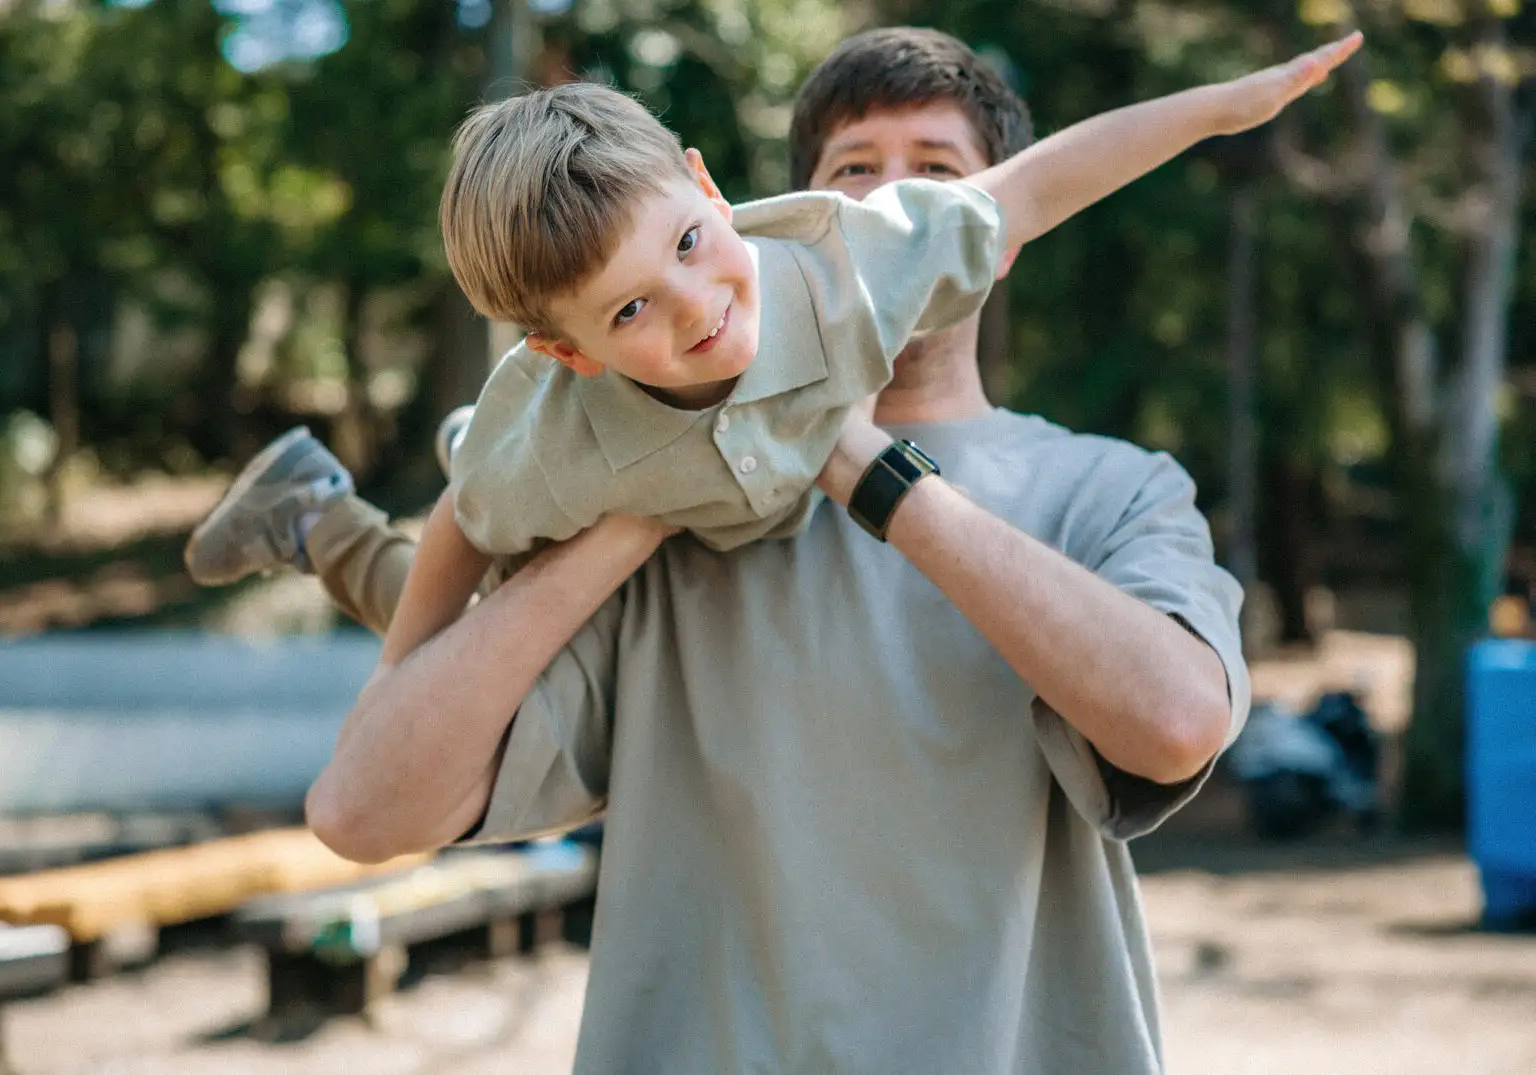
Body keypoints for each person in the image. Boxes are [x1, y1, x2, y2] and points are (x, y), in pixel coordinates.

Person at [186, 28, 1357, 1073]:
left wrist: (853, 456)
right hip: (601, 507)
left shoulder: (1110, 487)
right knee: (477, 560)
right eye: (856, 170)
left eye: (936, 173)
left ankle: (315, 522)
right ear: (793, 206)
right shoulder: (625, 467)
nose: (893, 193)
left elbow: (1176, 720)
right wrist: (645, 500)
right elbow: (372, 782)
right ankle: (319, 522)